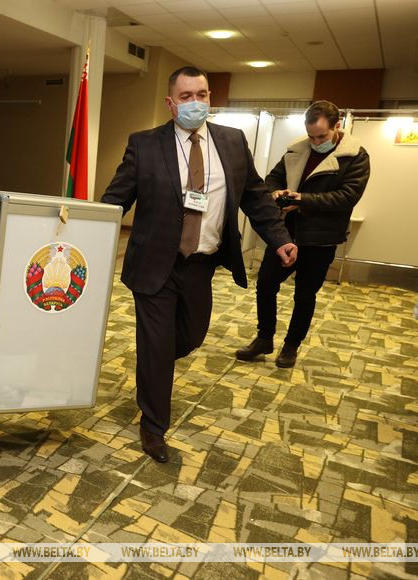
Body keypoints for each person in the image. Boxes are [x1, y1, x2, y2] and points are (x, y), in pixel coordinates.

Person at [101, 66, 297, 463]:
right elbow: (115, 200)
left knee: (191, 337)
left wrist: (280, 238)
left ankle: (153, 363)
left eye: (202, 95)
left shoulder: (232, 141)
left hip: (201, 264)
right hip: (154, 264)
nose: (196, 103)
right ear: (171, 103)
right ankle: (153, 426)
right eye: (186, 96)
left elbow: (255, 195)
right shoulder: (144, 144)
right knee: (157, 345)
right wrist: (84, 233)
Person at [236, 100, 370, 368]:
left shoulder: (355, 156)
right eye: (311, 136)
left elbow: (347, 196)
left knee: (305, 295)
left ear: (337, 125)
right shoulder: (297, 149)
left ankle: (291, 346)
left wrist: (303, 200)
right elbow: (272, 179)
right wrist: (276, 192)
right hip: (286, 234)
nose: (316, 141)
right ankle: (264, 338)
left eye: (322, 136)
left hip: (321, 239)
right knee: (265, 284)